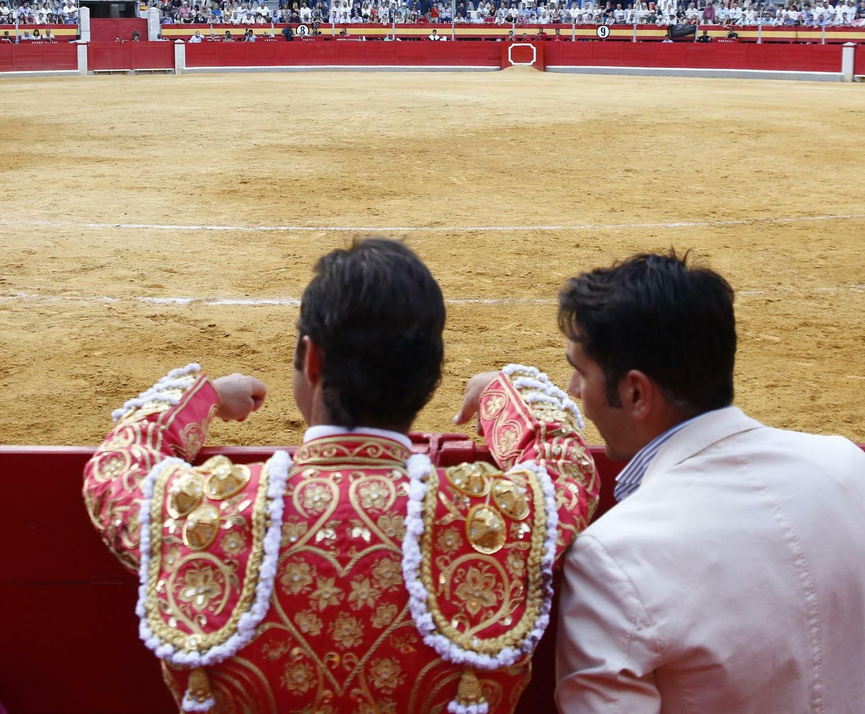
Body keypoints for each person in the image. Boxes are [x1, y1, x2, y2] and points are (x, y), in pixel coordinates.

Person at [83, 238, 598, 714]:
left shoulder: (198, 509)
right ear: (431, 376)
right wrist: (499, 397)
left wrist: (205, 396)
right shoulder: (504, 517)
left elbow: (122, 462)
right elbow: (566, 463)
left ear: (311, 361)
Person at [554, 252, 865, 714]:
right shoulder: (847, 469)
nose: (575, 389)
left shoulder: (612, 558)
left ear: (635, 393)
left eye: (582, 370)